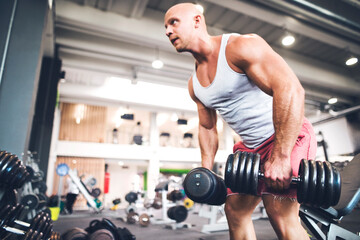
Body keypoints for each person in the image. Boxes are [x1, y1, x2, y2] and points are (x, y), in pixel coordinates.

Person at [164, 3, 317, 240]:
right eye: (165, 26)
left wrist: (281, 155)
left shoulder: (239, 46)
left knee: (279, 212)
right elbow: (207, 127)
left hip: (287, 137)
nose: (167, 31)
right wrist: (205, 168)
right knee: (234, 210)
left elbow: (290, 88)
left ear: (196, 21)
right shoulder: (194, 84)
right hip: (250, 149)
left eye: (173, 22)